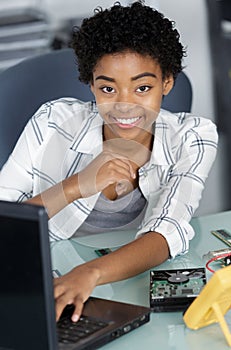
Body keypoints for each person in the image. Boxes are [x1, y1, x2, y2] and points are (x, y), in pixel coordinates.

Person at [0, 1, 218, 322]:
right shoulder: (53, 122)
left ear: (167, 82)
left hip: (126, 278)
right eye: (107, 88)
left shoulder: (193, 138)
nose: (124, 106)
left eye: (142, 87)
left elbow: (166, 231)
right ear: (91, 84)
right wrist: (77, 186)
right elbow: (6, 224)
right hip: (50, 276)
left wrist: (89, 273)